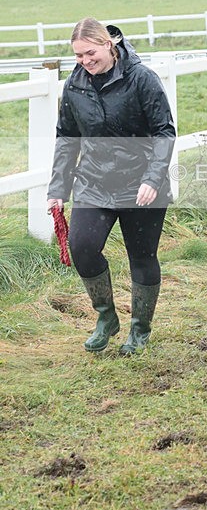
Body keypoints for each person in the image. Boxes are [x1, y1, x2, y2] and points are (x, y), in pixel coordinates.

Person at [47, 18, 176, 354]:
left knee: (142, 256)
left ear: (108, 44)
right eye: (78, 56)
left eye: (90, 53)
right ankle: (106, 317)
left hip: (141, 186)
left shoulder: (141, 78)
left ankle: (140, 329)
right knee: (83, 248)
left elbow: (164, 131)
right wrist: (58, 187)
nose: (86, 62)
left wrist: (153, 178)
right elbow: (67, 138)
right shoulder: (75, 85)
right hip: (93, 182)